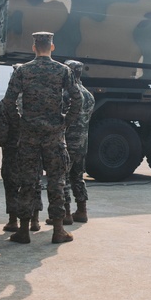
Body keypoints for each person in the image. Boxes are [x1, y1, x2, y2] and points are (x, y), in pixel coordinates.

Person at [0, 31, 81, 245]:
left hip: (29, 135)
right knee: (56, 182)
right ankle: (58, 230)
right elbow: (77, 99)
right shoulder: (63, 70)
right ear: (52, 47)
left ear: (34, 47)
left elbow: (9, 101)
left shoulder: (23, 71)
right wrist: (65, 121)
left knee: (27, 182)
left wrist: (19, 122)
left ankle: (24, 230)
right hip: (54, 134)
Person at [62, 60, 95, 223]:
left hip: (67, 142)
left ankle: (66, 213)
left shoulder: (66, 93)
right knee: (78, 176)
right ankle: (82, 211)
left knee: (64, 177)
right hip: (82, 143)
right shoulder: (88, 94)